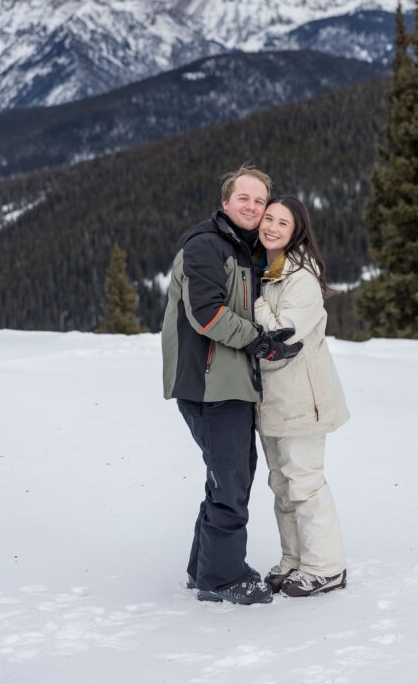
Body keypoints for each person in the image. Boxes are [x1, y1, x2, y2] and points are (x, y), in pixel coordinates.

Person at [161, 164, 303, 606]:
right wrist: (260, 342)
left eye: (260, 202)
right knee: (231, 480)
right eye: (244, 198)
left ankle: (203, 568)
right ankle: (222, 579)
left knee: (228, 477)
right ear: (225, 202)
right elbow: (207, 314)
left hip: (231, 384)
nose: (253, 207)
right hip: (208, 384)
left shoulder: (242, 248)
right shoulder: (204, 245)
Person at [253, 195, 350, 597]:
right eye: (268, 218)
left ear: (297, 233)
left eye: (283, 223)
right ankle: (294, 559)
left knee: (305, 482)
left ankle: (326, 567)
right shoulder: (267, 270)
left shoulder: (301, 277)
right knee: (281, 483)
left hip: (301, 397)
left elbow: (283, 334)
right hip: (273, 399)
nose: (272, 227)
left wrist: (252, 303)